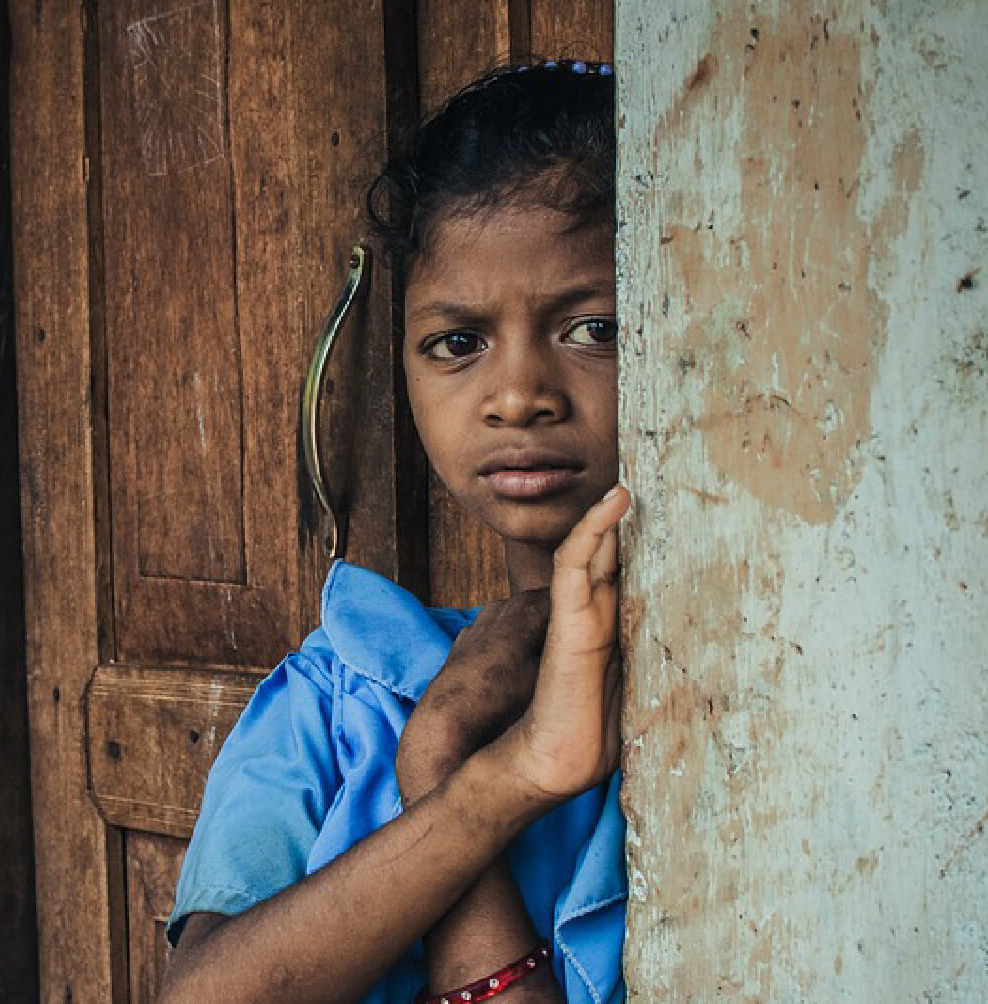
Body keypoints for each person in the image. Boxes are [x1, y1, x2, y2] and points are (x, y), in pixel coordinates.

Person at [159, 59, 629, 1004]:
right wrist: (458, 762)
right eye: (456, 342)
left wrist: (450, 766)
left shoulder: (740, 697)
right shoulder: (339, 696)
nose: (516, 396)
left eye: (592, 328)